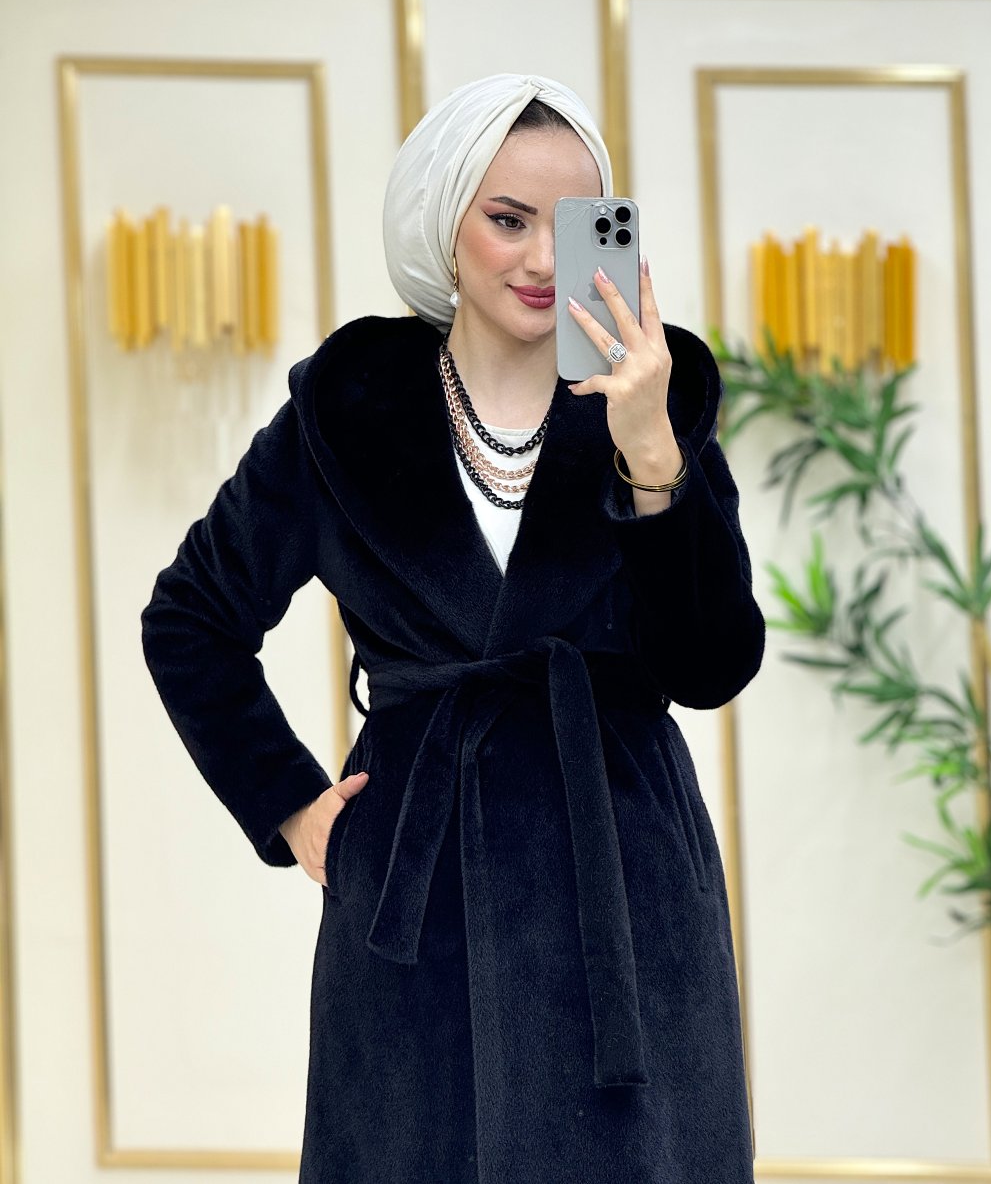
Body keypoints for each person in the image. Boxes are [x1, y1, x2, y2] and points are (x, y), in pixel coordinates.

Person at [141, 72, 766, 1184]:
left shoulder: (657, 404)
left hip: (622, 884)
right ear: (446, 224)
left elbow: (711, 664)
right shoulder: (347, 410)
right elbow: (191, 617)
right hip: (416, 886)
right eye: (508, 219)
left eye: (572, 223)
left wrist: (651, 454)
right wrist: (290, 804)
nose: (541, 258)